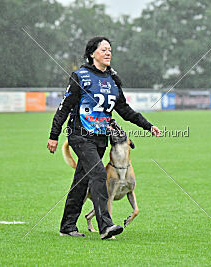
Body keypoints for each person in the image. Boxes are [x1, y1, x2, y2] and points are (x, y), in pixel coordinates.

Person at [47, 36, 161, 240]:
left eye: (110, 50)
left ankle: (67, 226)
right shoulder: (80, 76)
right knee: (99, 173)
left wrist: (148, 125)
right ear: (92, 54)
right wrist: (54, 135)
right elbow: (64, 107)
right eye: (103, 50)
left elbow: (124, 110)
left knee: (81, 182)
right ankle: (105, 226)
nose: (108, 53)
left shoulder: (114, 80)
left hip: (101, 139)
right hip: (80, 136)